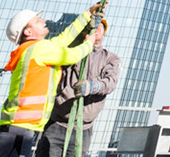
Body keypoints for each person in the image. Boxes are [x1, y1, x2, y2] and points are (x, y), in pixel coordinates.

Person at [0, 3, 102, 157]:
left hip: (17, 129)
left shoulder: (33, 49)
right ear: (28, 31)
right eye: (37, 21)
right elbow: (72, 55)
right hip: (18, 130)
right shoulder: (39, 49)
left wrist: (86, 15)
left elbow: (63, 39)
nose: (44, 20)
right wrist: (89, 43)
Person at [37, 20, 120, 157]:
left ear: (105, 32)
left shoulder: (110, 58)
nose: (97, 28)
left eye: (101, 26)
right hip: (57, 122)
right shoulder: (72, 51)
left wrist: (92, 87)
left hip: (83, 128)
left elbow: (110, 83)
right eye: (94, 25)